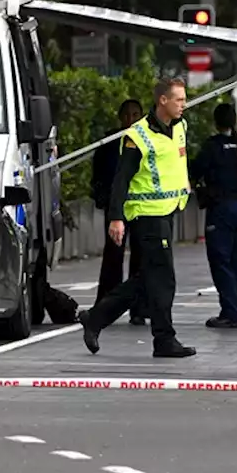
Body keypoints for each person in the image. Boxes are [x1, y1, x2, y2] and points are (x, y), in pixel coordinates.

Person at [79, 77, 196, 358]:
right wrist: (116, 217)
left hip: (168, 211)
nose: (184, 104)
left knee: (149, 278)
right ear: (162, 101)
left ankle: (95, 318)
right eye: (178, 99)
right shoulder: (138, 135)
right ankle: (164, 340)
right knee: (163, 278)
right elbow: (121, 180)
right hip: (146, 215)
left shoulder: (180, 126)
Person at [190, 102, 237, 328]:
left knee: (221, 261)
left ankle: (231, 313)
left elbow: (193, 171)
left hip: (223, 210)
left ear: (215, 122)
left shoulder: (213, 146)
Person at [92, 98, 146, 324]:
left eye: (135, 115)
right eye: (126, 115)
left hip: (141, 205)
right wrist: (104, 198)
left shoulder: (146, 140)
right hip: (117, 206)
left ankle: (139, 309)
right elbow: (99, 174)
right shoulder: (110, 142)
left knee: (141, 256)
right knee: (113, 256)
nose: (130, 120)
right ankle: (107, 306)